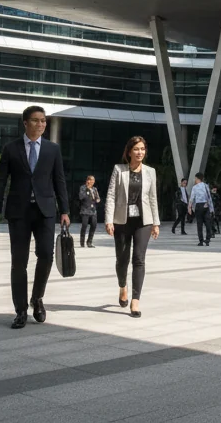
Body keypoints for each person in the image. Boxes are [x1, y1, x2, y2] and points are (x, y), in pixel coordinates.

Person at [0, 106, 70, 329]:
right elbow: (0, 181)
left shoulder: (53, 149)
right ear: (25, 123)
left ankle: (37, 298)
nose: (41, 124)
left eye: (44, 121)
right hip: (18, 212)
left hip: (45, 212)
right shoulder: (11, 149)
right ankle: (20, 310)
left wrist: (65, 211)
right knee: (18, 262)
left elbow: (59, 180)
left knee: (46, 255)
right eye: (36, 120)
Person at [104, 136, 160, 318]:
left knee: (139, 258)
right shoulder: (119, 170)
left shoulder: (150, 171)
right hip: (122, 220)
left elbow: (152, 198)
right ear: (129, 152)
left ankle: (135, 300)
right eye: (136, 149)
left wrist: (156, 223)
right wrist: (108, 220)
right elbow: (111, 195)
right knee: (122, 259)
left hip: (144, 221)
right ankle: (123, 287)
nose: (140, 152)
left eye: (143, 149)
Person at [187, 173, 213, 246]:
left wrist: (189, 207)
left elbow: (192, 198)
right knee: (207, 223)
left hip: (199, 206)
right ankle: (207, 239)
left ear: (198, 179)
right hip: (206, 205)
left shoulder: (194, 187)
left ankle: (201, 241)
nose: (194, 180)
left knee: (199, 224)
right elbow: (209, 197)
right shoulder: (206, 186)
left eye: (195, 178)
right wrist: (211, 208)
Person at [78, 175, 100, 248]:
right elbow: (81, 197)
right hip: (85, 210)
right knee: (84, 226)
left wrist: (98, 200)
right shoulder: (83, 188)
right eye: (91, 180)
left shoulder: (95, 189)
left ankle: (89, 242)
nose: (92, 182)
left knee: (94, 225)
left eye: (93, 180)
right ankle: (82, 242)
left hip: (93, 210)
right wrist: (87, 189)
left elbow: (97, 198)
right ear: (87, 180)